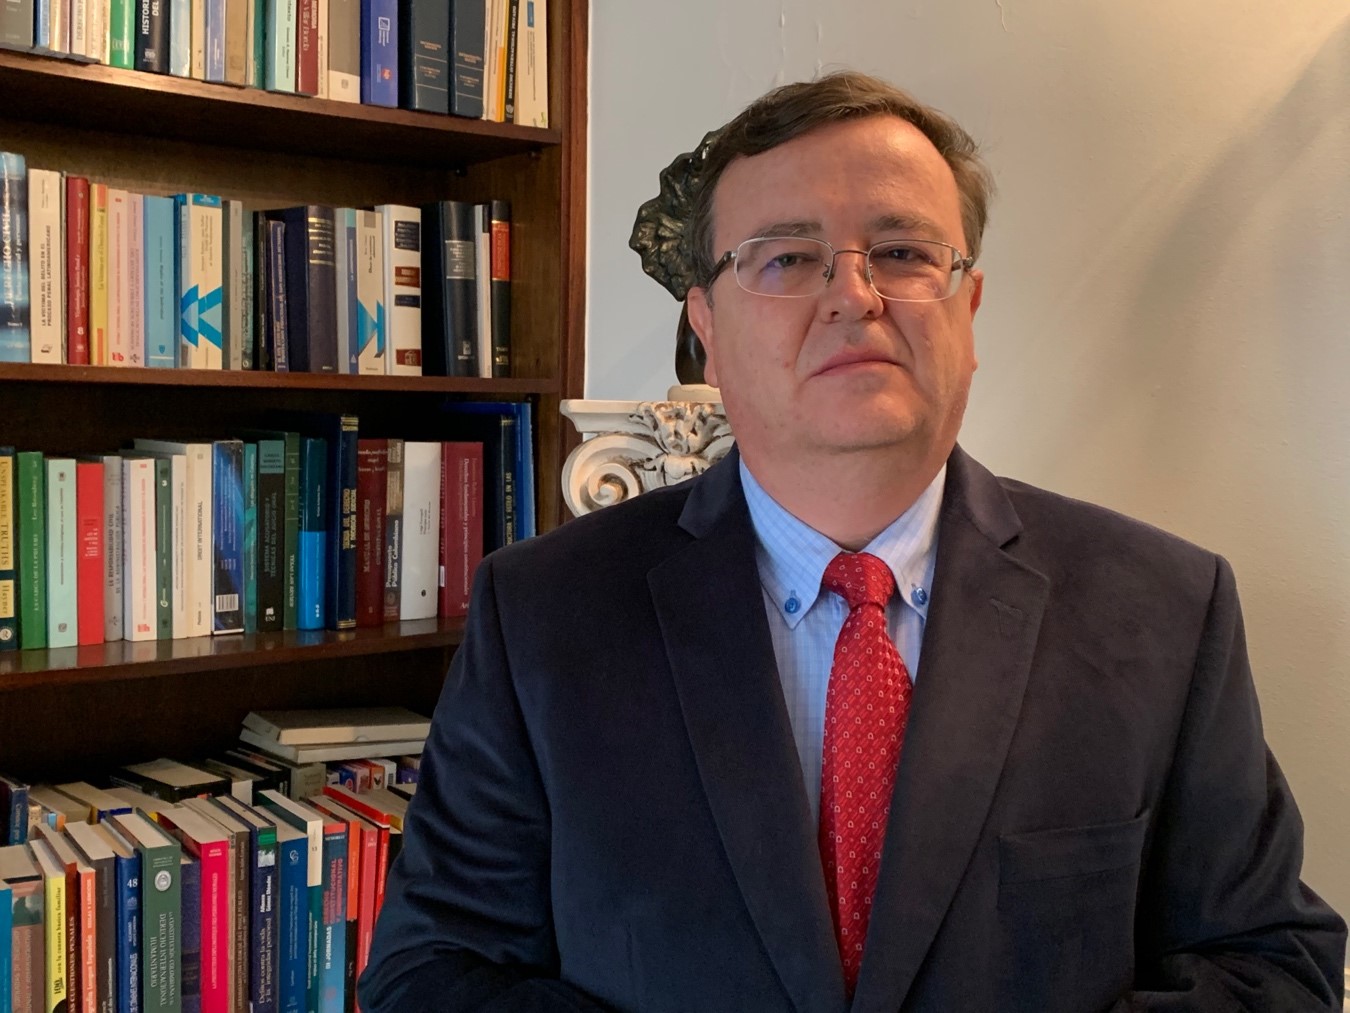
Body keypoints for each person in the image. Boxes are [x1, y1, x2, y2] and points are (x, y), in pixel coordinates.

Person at [358, 71, 1346, 1012]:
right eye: (787, 258)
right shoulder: (543, 612)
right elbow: (435, 967)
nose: (855, 295)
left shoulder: (1166, 609)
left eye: (907, 252)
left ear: (969, 304)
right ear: (707, 325)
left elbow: (1272, 957)